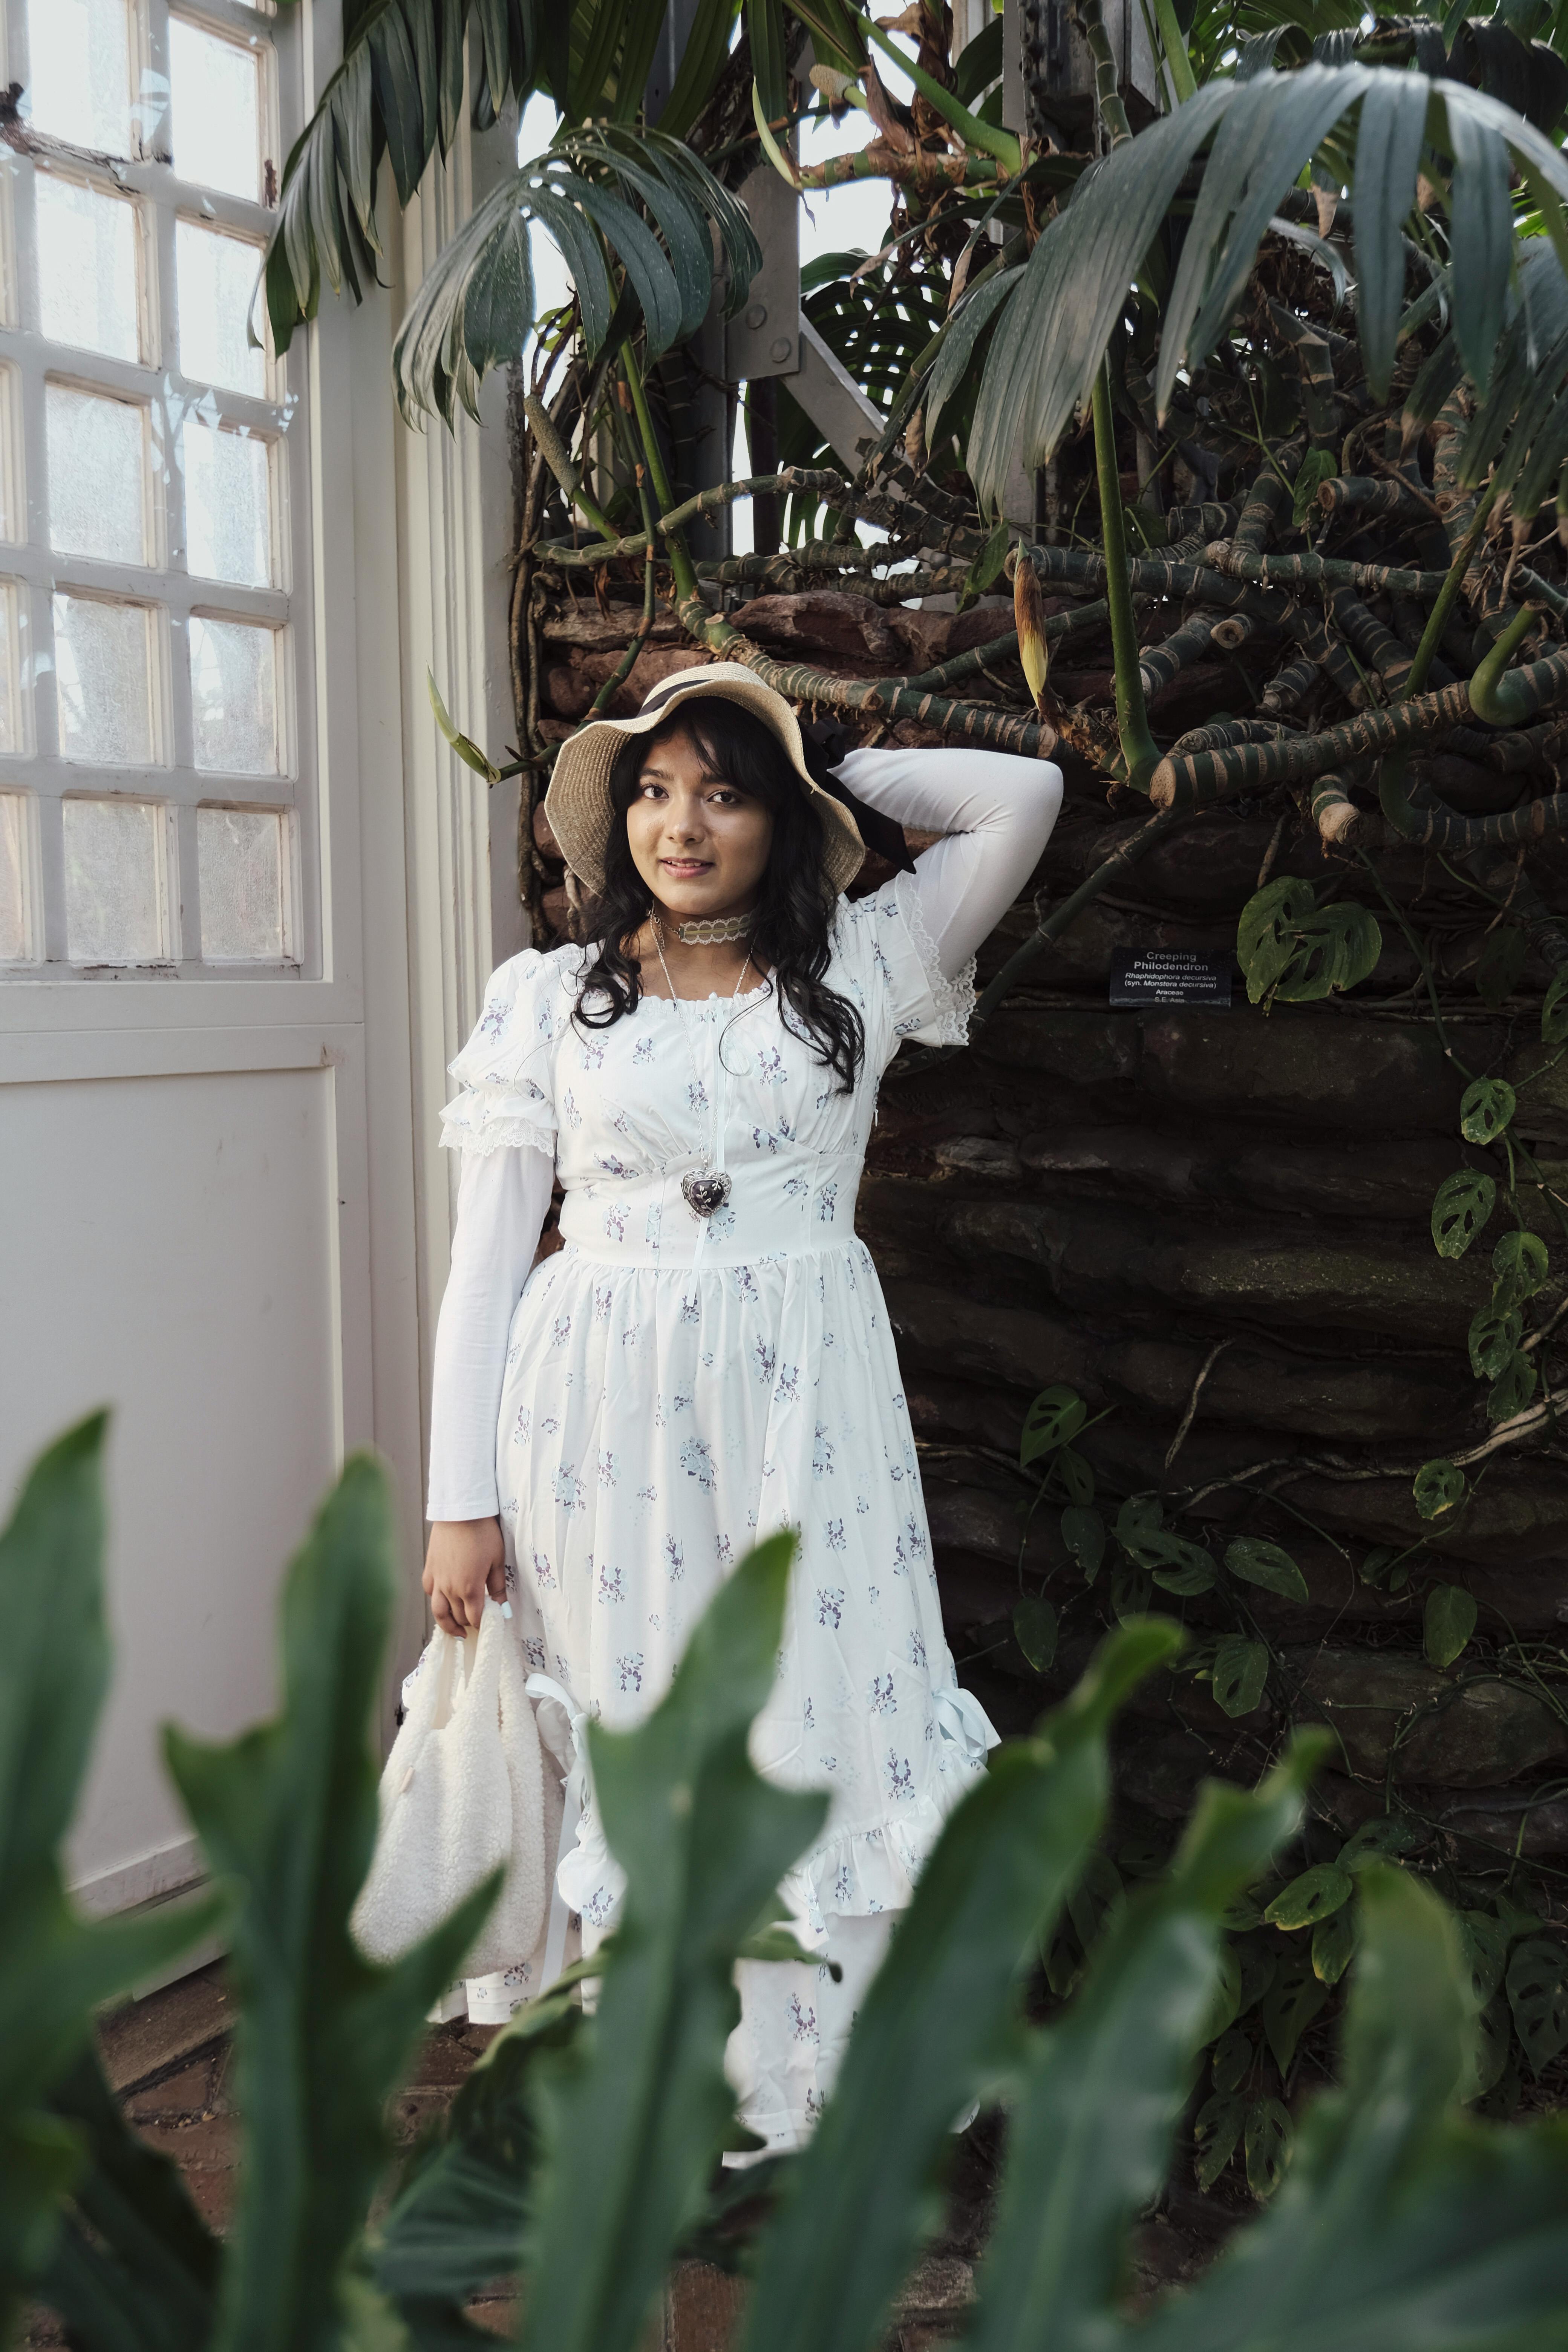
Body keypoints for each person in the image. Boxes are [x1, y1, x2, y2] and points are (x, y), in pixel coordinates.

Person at [422, 662, 1063, 2154]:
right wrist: (461, 1503)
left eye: (722, 791)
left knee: (819, 1713)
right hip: (590, 1420)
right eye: (651, 790)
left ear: (781, 819)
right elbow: (481, 1272)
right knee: (637, 1722)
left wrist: (830, 757)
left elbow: (1019, 798)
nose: (680, 824)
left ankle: (811, 2082)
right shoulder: (544, 1004)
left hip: (808, 1418)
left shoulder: (856, 967)